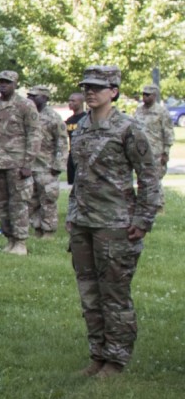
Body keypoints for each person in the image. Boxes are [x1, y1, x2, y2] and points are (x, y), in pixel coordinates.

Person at [67, 65, 162, 378]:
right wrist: (72, 215)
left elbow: (148, 175)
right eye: (87, 87)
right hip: (84, 221)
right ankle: (97, 355)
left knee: (114, 294)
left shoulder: (127, 128)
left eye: (97, 87)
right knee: (89, 294)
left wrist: (144, 218)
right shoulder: (81, 127)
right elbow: (79, 176)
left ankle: (116, 361)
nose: (90, 92)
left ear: (114, 91)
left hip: (115, 223)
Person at [0, 70, 39, 255]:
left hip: (17, 162)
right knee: (1, 203)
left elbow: (34, 134)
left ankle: (21, 242)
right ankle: (9, 239)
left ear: (15, 84)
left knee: (18, 203)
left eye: (7, 82)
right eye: (1, 81)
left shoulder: (25, 105)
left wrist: (28, 163)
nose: (3, 85)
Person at [27, 84, 69, 238]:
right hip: (30, 166)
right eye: (29, 96)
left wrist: (58, 165)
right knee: (32, 201)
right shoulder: (29, 114)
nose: (30, 99)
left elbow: (62, 142)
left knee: (48, 201)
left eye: (34, 96)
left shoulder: (53, 117)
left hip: (47, 167)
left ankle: (48, 231)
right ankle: (37, 228)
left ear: (44, 98)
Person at [132, 83, 174, 183]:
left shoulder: (161, 112)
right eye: (143, 94)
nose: (145, 97)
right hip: (141, 152)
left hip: (156, 153)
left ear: (154, 96)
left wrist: (166, 153)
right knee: (142, 181)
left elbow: (168, 133)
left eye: (148, 94)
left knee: (155, 183)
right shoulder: (139, 110)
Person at [65, 91, 87, 185]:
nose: (70, 103)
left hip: (84, 156)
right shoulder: (69, 121)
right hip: (72, 156)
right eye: (69, 101)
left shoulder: (87, 118)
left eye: (73, 101)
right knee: (73, 184)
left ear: (81, 102)